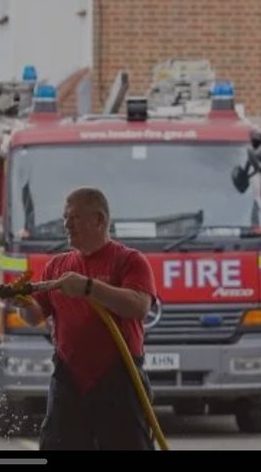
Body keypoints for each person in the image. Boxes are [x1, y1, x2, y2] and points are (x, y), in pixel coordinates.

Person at [19, 186, 158, 450]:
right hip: (69, 377)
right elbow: (34, 315)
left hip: (119, 375)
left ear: (99, 219)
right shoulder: (57, 267)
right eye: (65, 218)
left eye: (74, 218)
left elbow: (139, 306)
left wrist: (88, 287)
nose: (67, 225)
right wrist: (21, 303)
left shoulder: (129, 261)